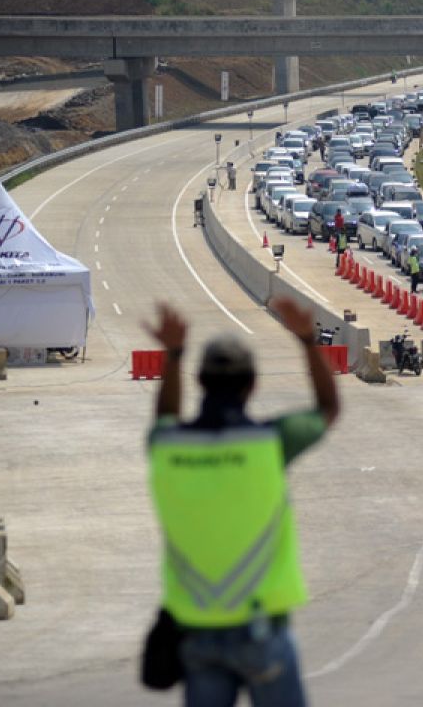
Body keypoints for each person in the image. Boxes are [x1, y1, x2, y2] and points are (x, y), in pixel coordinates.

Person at [143, 297, 339, 707]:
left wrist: (174, 355)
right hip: (261, 629)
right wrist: (306, 339)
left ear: (199, 383)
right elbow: (327, 409)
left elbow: (163, 418)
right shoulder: (267, 443)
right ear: (252, 386)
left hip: (196, 631)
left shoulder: (168, 448)